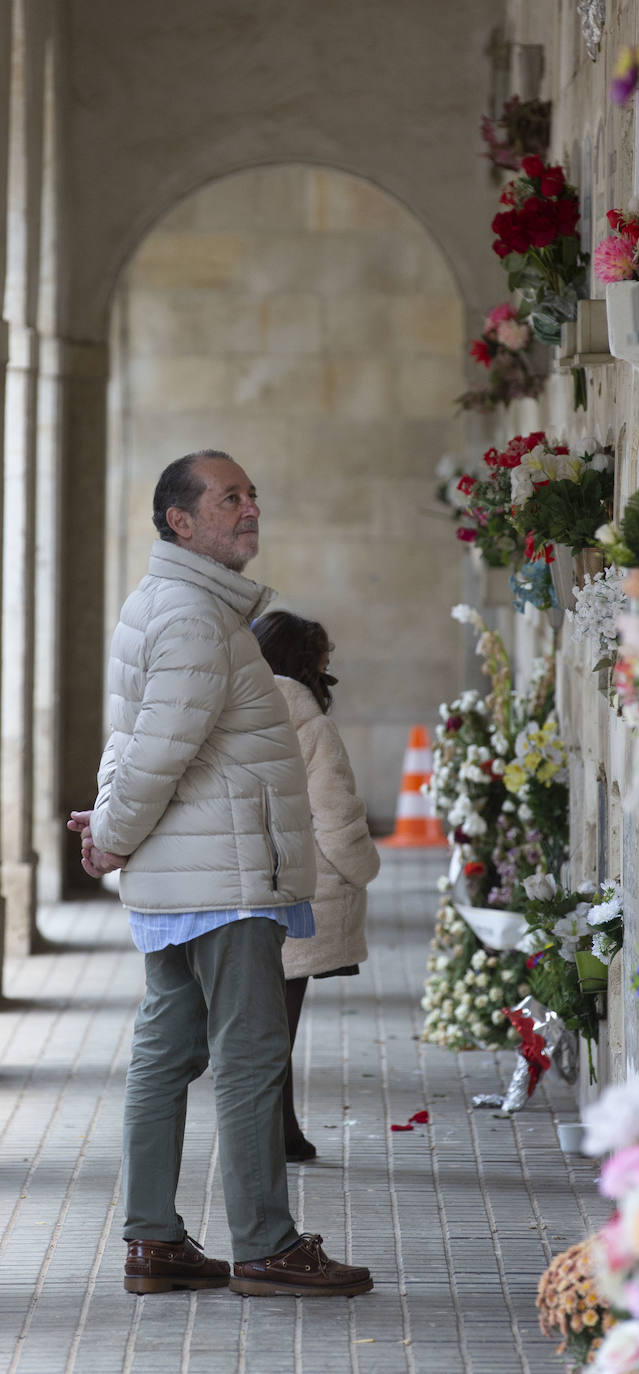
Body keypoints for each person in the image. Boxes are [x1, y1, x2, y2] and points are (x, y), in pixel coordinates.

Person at [68, 449, 372, 1299]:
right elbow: (157, 748)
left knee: (166, 1055)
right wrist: (116, 838)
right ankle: (264, 1245)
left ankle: (154, 1242)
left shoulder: (168, 603)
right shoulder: (196, 617)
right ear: (181, 522)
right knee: (249, 1056)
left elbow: (129, 741)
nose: (251, 509)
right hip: (222, 878)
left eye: (251, 494)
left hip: (189, 874)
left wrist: (112, 827)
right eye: (229, 498)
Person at [252, 611, 380, 1162]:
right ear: (305, 663)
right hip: (301, 891)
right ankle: (275, 1136)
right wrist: (364, 868)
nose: (330, 668)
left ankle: (279, 1132)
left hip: (237, 886)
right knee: (277, 1027)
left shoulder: (231, 713)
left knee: (256, 1025)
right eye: (324, 659)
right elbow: (336, 816)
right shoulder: (311, 727)